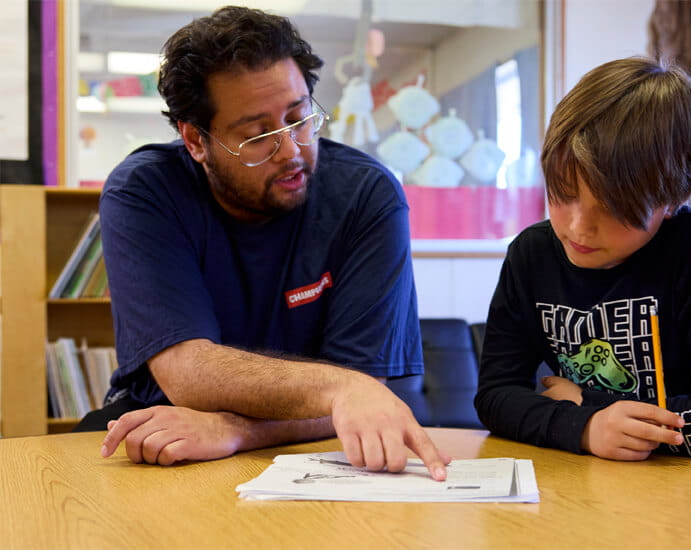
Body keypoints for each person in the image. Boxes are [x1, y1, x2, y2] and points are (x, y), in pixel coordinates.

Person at [74, 6, 449, 480]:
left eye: (299, 118)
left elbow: (366, 391)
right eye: (258, 135)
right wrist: (339, 389)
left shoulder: (366, 196)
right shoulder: (145, 192)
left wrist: (236, 431)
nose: (291, 150)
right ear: (196, 141)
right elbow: (187, 372)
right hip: (166, 425)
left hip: (314, 443)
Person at [474, 56, 691, 461]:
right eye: (563, 195)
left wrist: (586, 402)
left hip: (689, 488)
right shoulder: (532, 253)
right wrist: (585, 429)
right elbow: (495, 395)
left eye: (612, 209)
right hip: (587, 483)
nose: (578, 228)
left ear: (673, 199)